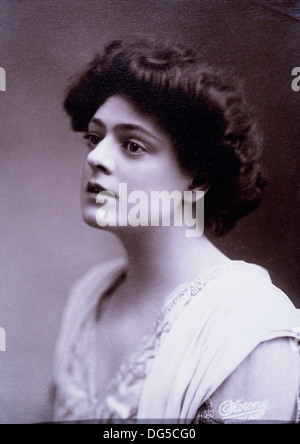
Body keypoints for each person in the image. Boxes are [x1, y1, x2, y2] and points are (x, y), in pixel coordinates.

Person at [52, 37, 300, 423]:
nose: (96, 158)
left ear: (198, 179)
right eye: (94, 138)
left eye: (132, 145)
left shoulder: (249, 324)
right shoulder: (88, 295)